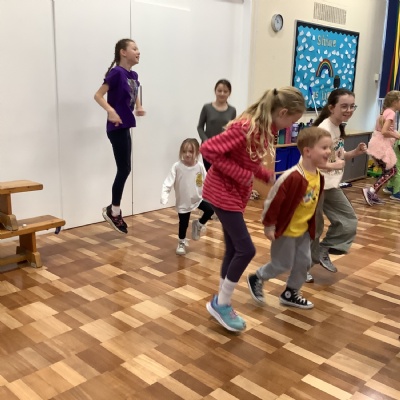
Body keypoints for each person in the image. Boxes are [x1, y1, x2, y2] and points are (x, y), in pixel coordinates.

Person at [201, 87, 306, 332]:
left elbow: (244, 160)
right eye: (293, 121)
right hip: (222, 192)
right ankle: (222, 304)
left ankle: (221, 300)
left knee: (233, 249)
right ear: (282, 112)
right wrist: (242, 175)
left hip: (233, 194)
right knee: (246, 249)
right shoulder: (245, 128)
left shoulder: (264, 130)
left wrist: (264, 174)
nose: (291, 126)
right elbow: (208, 150)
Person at [247, 127, 330, 309]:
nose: (329, 152)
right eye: (324, 148)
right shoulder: (292, 177)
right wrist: (269, 225)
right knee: (282, 264)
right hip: (285, 230)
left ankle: (290, 293)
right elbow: (272, 201)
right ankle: (257, 277)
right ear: (307, 151)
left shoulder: (319, 176)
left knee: (304, 262)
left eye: (329, 148)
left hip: (303, 231)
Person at [308, 89, 367, 282]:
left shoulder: (337, 127)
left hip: (331, 185)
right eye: (344, 106)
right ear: (332, 107)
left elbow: (337, 156)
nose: (349, 110)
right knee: (313, 229)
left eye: (352, 106)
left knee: (348, 221)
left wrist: (354, 153)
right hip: (315, 185)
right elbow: (312, 161)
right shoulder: (323, 130)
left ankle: (324, 249)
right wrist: (334, 165)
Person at [94, 38, 145, 234]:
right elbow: (98, 95)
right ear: (123, 52)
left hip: (125, 126)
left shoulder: (133, 74)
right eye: (134, 48)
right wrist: (110, 111)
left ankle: (114, 210)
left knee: (125, 168)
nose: (138, 52)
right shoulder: (116, 73)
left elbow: (135, 90)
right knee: (124, 169)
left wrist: (138, 106)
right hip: (116, 127)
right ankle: (113, 211)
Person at [161, 138, 214, 255]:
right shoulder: (177, 166)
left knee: (210, 210)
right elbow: (168, 182)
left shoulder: (199, 166)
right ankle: (181, 242)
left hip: (197, 198)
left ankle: (198, 224)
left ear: (197, 153)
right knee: (183, 224)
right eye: (184, 151)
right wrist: (164, 195)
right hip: (183, 201)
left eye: (190, 151)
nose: (187, 154)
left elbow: (207, 181)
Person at [362, 90, 400, 205]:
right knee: (392, 171)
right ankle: (371, 190)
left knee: (387, 171)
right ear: (395, 102)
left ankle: (373, 192)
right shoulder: (391, 113)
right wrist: (397, 136)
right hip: (381, 146)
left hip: (376, 144)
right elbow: (384, 131)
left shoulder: (385, 111)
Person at [197, 79, 237, 171]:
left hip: (224, 149)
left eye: (225, 91)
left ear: (229, 93)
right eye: (219, 91)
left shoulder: (232, 110)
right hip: (208, 148)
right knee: (209, 173)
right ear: (215, 91)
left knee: (221, 175)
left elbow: (232, 130)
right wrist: (206, 141)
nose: (222, 94)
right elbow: (200, 127)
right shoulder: (207, 107)